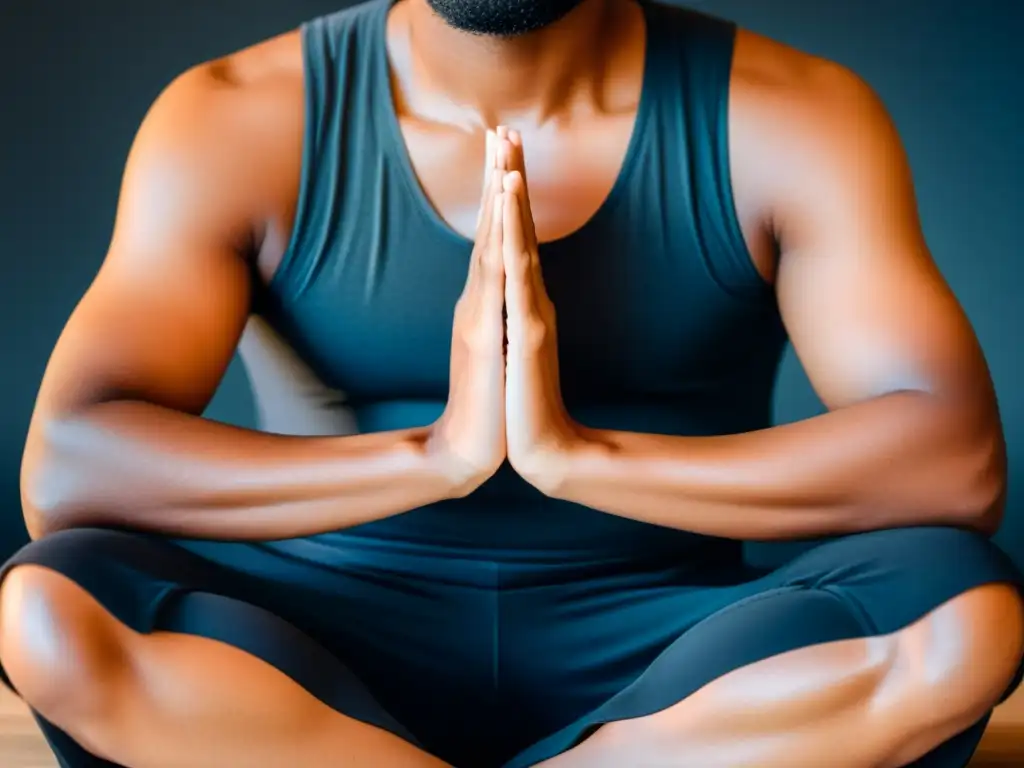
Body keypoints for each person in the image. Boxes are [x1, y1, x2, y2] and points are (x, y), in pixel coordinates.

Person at [0, 0, 1021, 765]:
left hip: (667, 647)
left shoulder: (792, 115)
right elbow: (72, 466)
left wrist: (577, 458)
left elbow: (952, 461)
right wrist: (435, 457)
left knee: (960, 619)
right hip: (317, 645)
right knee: (53, 609)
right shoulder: (237, 117)